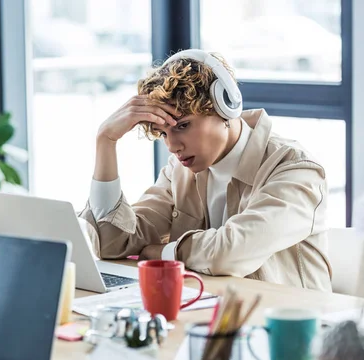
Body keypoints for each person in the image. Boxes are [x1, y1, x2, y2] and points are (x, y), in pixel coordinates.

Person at [78, 49, 332, 292]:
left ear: (225, 108)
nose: (172, 146)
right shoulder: (179, 171)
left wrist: (164, 252)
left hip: (289, 325)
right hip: (211, 314)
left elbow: (232, 253)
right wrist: (106, 141)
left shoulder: (295, 170)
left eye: (183, 125)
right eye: (164, 133)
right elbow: (113, 243)